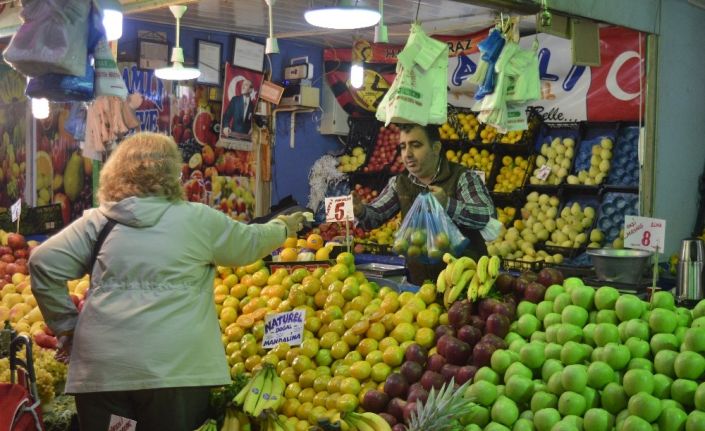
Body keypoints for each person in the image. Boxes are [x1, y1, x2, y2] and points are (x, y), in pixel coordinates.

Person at [28, 132, 306, 431]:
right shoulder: (197, 220)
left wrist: (67, 328)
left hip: (105, 374)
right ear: (172, 173)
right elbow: (250, 242)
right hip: (176, 373)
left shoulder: (97, 222)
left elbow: (42, 263)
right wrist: (282, 228)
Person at [353, 123, 497, 285]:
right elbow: (376, 215)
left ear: (436, 148)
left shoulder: (463, 177)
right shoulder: (400, 182)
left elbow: (487, 216)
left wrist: (448, 204)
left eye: (416, 145)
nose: (407, 154)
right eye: (403, 146)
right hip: (420, 285)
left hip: (466, 282)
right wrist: (361, 211)